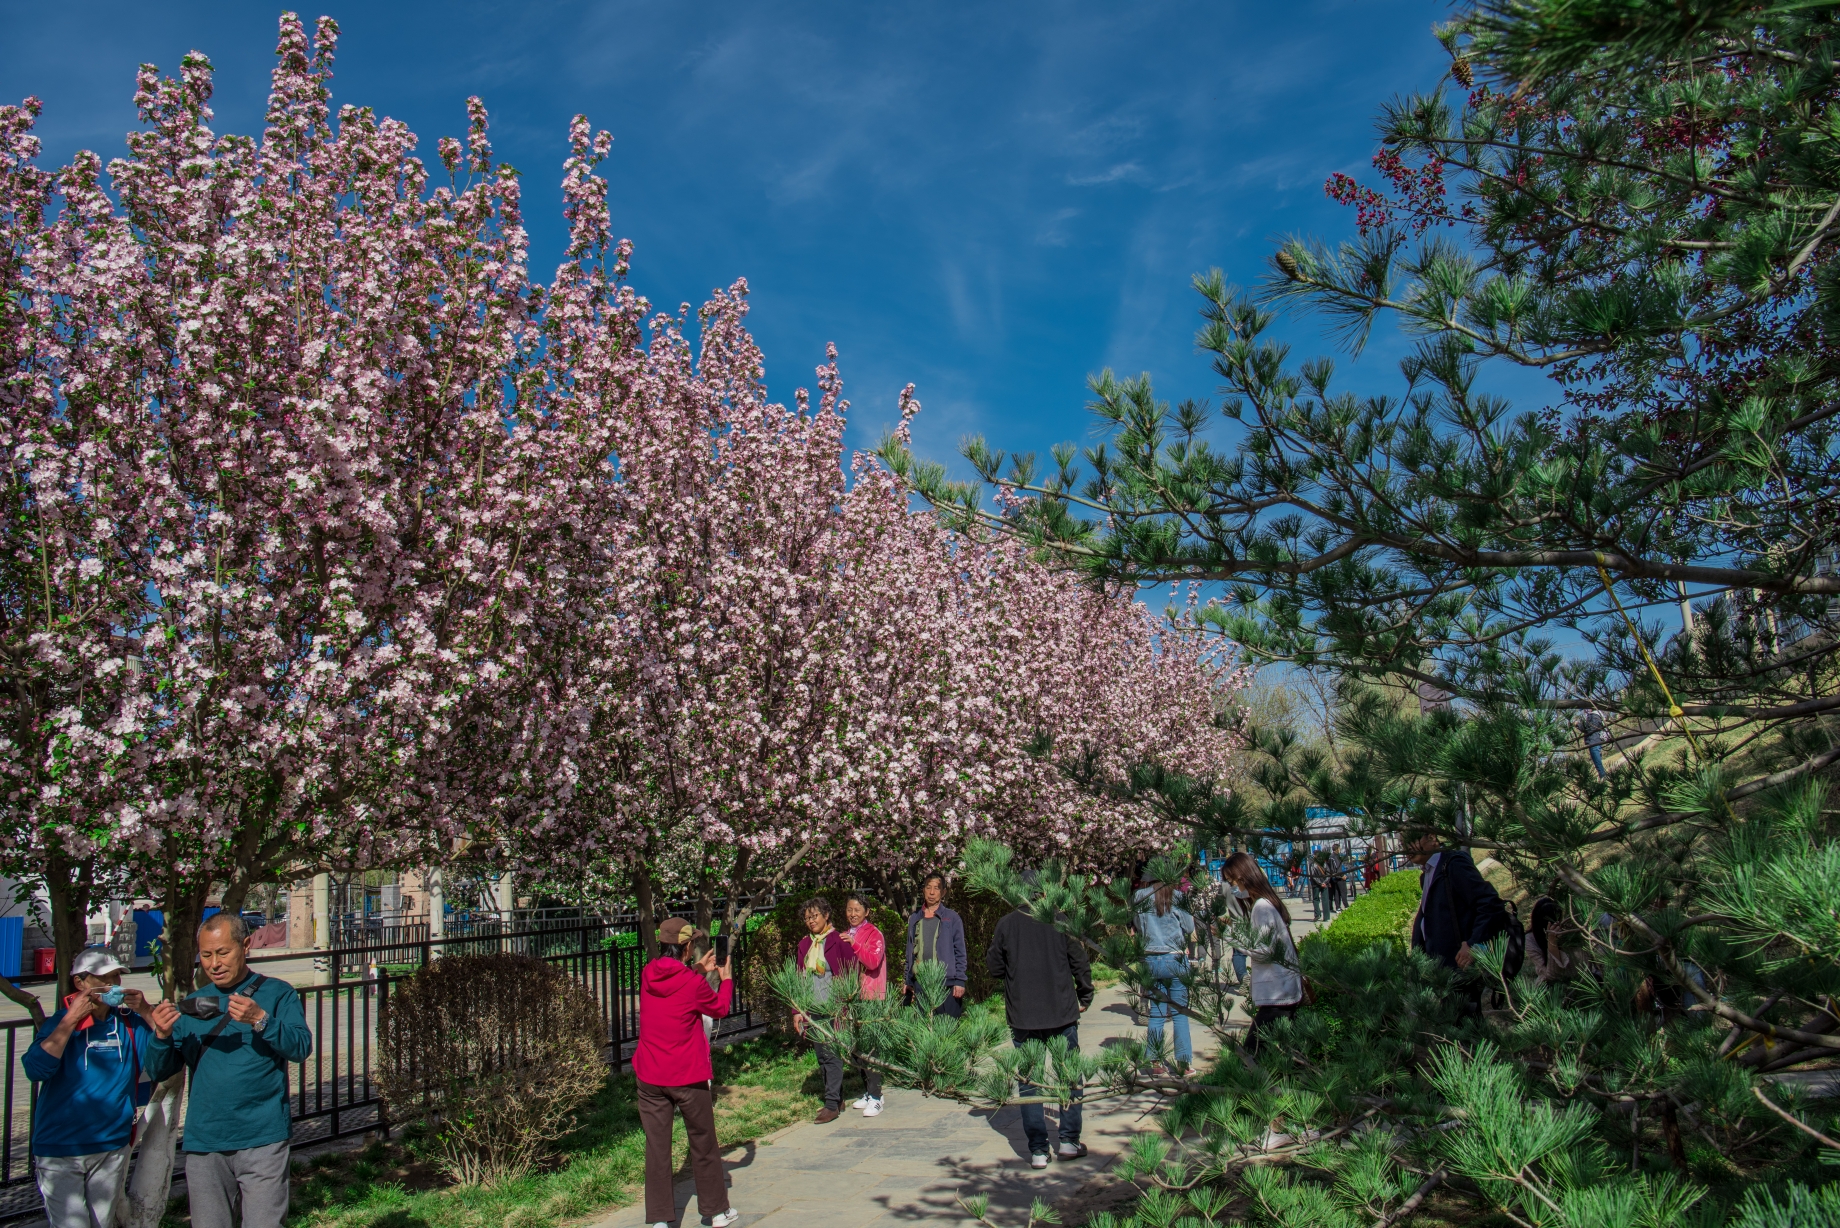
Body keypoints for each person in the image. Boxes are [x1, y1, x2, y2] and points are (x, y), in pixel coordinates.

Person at [145, 914, 312, 1228]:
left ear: (245, 946)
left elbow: (300, 1047)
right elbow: (160, 1069)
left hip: (263, 1138)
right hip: (206, 1141)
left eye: (223, 953)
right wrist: (161, 1037)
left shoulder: (277, 994)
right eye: (206, 955)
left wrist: (261, 1019)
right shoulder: (192, 1005)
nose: (214, 963)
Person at [25, 949, 159, 1228]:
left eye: (115, 978)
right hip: (60, 1148)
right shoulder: (59, 1023)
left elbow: (167, 1053)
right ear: (80, 982)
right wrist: (70, 1021)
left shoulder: (128, 1023)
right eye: (103, 979)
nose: (112, 986)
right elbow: (36, 1070)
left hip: (110, 1146)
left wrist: (146, 1011)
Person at [632, 918, 738, 1228]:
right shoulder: (692, 984)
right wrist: (725, 978)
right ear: (687, 947)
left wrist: (698, 971)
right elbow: (718, 1008)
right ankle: (716, 1212)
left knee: (657, 1148)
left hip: (650, 1076)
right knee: (703, 1142)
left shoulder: (647, 974)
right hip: (687, 1075)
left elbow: (672, 986)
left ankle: (660, 1220)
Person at [987, 900, 1093, 1168]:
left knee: (1029, 1082)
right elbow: (1078, 959)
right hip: (1061, 1011)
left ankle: (1037, 1150)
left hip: (1024, 1015)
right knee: (1068, 1074)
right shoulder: (1059, 919)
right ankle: (1069, 1141)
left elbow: (994, 967)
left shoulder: (1007, 924)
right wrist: (1085, 994)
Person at [1405, 833, 1510, 1014]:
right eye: (1402, 843)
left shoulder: (1453, 865)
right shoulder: (1428, 874)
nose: (1406, 848)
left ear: (1431, 838)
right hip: (1441, 974)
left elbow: (1490, 904)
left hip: (1460, 970)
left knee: (1466, 1032)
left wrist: (1472, 944)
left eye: (1411, 840)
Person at [1220, 852, 1303, 1054]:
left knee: (1252, 1056)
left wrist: (1228, 935)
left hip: (1277, 995)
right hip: (1281, 993)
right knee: (1281, 1056)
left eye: (1232, 882)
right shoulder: (1265, 904)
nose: (1233, 889)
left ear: (1243, 878)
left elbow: (1263, 951)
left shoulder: (1261, 907)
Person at [794, 897, 850, 1123]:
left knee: (832, 1054)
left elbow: (849, 974)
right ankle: (837, 1098)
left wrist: (845, 1007)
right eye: (807, 918)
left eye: (814, 916)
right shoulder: (805, 945)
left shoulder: (839, 940)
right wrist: (797, 1010)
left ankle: (831, 1104)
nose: (810, 921)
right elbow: (798, 980)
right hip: (813, 1008)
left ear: (826, 915)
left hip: (833, 1007)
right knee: (821, 1056)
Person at [1132, 881, 1196, 1069]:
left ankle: (1154, 1060)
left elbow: (1137, 924)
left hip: (1151, 958)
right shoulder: (1177, 896)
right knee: (1180, 1013)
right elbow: (1190, 928)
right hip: (1174, 957)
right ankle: (1184, 1062)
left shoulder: (1140, 896)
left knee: (1157, 1013)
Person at [839, 894, 887, 1117]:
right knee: (857, 1048)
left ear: (867, 912)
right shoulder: (844, 934)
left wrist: (855, 945)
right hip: (851, 997)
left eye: (857, 910)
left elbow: (873, 961)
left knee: (871, 1048)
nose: (853, 914)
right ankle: (868, 1091)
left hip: (870, 996)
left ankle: (877, 1096)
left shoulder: (874, 934)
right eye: (849, 909)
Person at [903, 873, 967, 1016]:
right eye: (928, 887)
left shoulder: (952, 918)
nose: (932, 892)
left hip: (947, 983)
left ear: (943, 892)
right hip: (921, 982)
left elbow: (960, 952)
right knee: (925, 1030)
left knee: (946, 1031)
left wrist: (960, 980)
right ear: (923, 890)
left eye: (936, 888)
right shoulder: (914, 918)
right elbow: (910, 951)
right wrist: (908, 980)